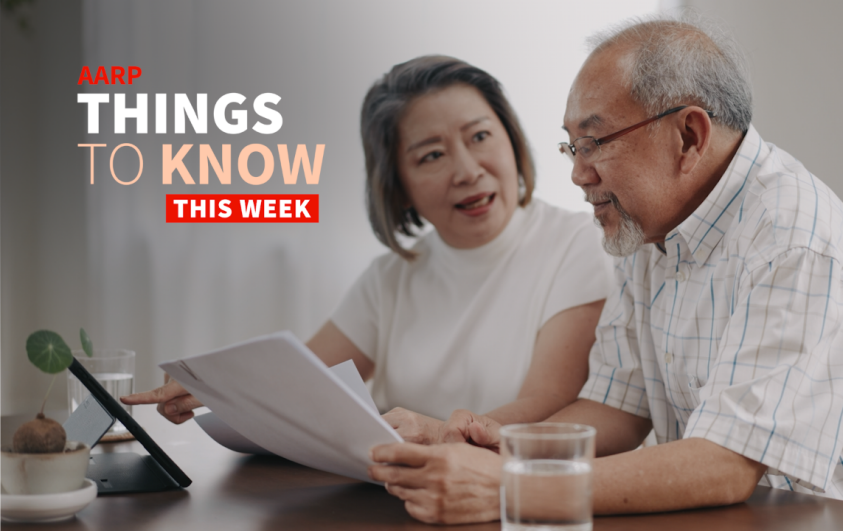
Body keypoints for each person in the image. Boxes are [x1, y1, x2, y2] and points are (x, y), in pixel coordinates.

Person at [367, 15, 843, 524]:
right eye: (572, 147)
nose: (578, 174)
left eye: (594, 143)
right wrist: (491, 444)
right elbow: (616, 407)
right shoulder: (646, 228)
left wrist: (512, 486)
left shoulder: (795, 238)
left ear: (688, 136)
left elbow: (725, 465)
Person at [121, 56, 614, 441]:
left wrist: (443, 434)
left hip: (511, 498)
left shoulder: (576, 244)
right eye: (433, 155)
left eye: (480, 136)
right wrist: (218, 389)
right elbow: (301, 383)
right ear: (398, 184)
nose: (467, 170)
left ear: (512, 141)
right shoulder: (392, 277)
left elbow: (550, 401)